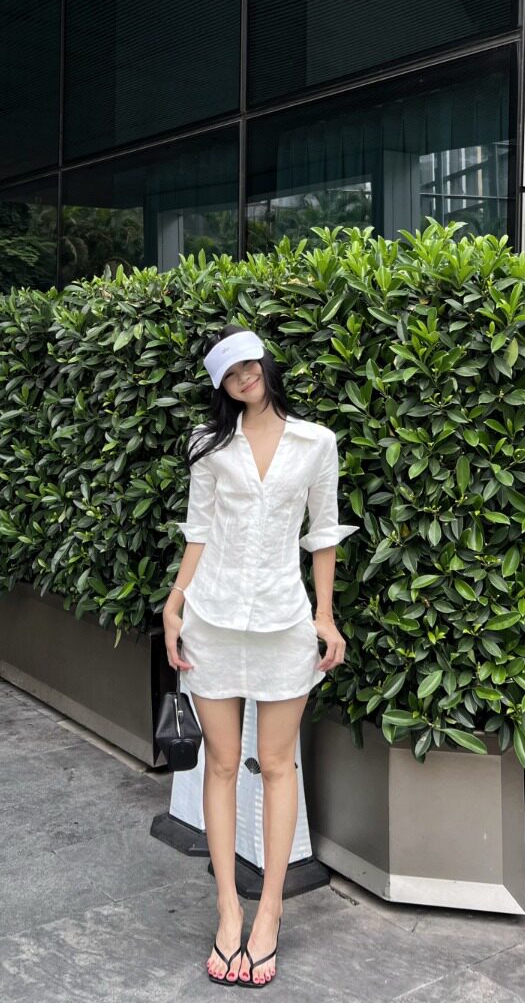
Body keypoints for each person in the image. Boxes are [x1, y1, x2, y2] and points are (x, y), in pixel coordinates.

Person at [162, 325, 359, 988]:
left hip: (282, 622)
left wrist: (324, 616)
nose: (243, 376)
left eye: (248, 363)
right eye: (229, 372)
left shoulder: (316, 442)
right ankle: (228, 909)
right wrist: (174, 604)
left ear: (265, 364)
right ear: (220, 385)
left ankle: (269, 910)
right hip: (213, 620)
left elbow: (323, 534)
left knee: (277, 765)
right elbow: (198, 531)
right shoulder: (209, 444)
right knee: (220, 765)